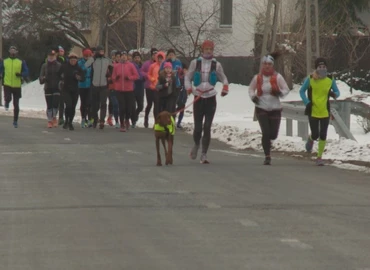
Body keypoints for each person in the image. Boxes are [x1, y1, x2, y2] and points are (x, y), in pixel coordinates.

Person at [185, 40, 229, 164]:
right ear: (202, 50)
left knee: (207, 126)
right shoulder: (195, 63)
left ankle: (204, 154)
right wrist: (189, 88)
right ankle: (196, 144)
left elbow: (223, 77)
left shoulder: (216, 64)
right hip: (198, 97)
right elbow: (187, 77)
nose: (208, 51)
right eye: (206, 49)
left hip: (210, 97)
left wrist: (225, 87)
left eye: (211, 49)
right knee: (198, 127)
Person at [249, 53, 290, 165]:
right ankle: (267, 156)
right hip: (261, 107)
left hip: (275, 107)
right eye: (265, 64)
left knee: (273, 135)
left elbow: (286, 89)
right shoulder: (257, 77)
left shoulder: (278, 77)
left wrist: (280, 93)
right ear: (262, 65)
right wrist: (253, 97)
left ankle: (268, 142)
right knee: (266, 133)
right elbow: (251, 89)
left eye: (269, 64)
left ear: (272, 65)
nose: (267, 66)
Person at [300, 57, 340, 166]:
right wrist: (307, 102)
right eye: (320, 67)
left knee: (323, 134)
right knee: (316, 134)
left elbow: (337, 92)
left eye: (324, 67)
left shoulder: (330, 79)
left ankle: (319, 157)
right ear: (316, 68)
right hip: (313, 110)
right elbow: (302, 91)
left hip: (325, 110)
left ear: (326, 68)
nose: (322, 69)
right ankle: (311, 139)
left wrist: (333, 94)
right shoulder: (311, 78)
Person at [0, 46, 29, 128]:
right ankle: (6, 102)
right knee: (8, 97)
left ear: (16, 52)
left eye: (14, 51)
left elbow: (26, 71)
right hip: (7, 84)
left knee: (16, 104)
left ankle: (15, 121)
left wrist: (21, 74)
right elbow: (0, 69)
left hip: (17, 85)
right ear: (9, 52)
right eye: (11, 51)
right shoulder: (5, 61)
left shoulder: (21, 62)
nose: (12, 52)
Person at [85, 45, 113, 129]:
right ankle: (95, 118)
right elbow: (86, 65)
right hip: (95, 84)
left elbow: (113, 67)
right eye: (100, 51)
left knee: (103, 104)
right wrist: (92, 58)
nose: (101, 52)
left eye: (102, 51)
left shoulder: (106, 60)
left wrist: (109, 74)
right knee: (95, 105)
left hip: (104, 85)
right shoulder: (93, 59)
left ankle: (102, 121)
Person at [111, 50, 139, 132]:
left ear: (127, 57)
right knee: (122, 107)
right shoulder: (116, 66)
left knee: (128, 107)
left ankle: (127, 119)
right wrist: (116, 78)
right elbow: (113, 77)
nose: (123, 57)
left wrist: (129, 78)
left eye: (125, 55)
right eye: (122, 55)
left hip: (129, 89)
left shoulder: (131, 65)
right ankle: (122, 123)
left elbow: (136, 76)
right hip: (119, 90)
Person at [59, 53, 85, 130]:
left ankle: (70, 121)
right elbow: (59, 74)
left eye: (74, 60)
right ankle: (66, 120)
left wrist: (79, 77)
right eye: (72, 60)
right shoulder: (65, 66)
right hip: (66, 89)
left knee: (73, 107)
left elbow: (83, 78)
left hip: (75, 90)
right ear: (69, 60)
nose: (73, 62)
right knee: (68, 105)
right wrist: (61, 78)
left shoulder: (78, 68)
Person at [39, 49, 63, 128]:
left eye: (53, 56)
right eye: (50, 56)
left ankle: (54, 117)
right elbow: (41, 77)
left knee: (55, 104)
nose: (51, 57)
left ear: (55, 56)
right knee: (49, 105)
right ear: (47, 56)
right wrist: (43, 79)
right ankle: (49, 120)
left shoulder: (59, 65)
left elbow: (62, 76)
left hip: (57, 87)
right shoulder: (44, 65)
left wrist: (62, 81)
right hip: (48, 87)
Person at [160, 48, 183, 114]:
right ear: (167, 56)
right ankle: (166, 117)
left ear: (175, 56)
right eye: (169, 55)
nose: (171, 56)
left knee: (173, 103)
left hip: (176, 85)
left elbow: (181, 74)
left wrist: (180, 71)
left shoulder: (178, 62)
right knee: (167, 104)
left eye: (172, 55)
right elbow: (160, 72)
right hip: (167, 85)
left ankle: (172, 118)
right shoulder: (164, 62)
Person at [141, 48, 158, 128]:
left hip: (157, 87)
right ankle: (146, 118)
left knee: (156, 105)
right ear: (151, 55)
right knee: (149, 104)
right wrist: (147, 75)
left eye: (156, 55)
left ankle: (156, 122)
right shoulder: (147, 63)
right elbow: (141, 71)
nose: (155, 56)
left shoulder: (160, 64)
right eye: (154, 55)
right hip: (149, 86)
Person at [147, 51, 166, 120]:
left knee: (162, 105)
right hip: (155, 87)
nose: (160, 59)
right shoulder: (153, 65)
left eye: (161, 58)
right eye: (159, 58)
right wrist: (152, 79)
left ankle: (162, 119)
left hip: (163, 88)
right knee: (156, 105)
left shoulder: (165, 66)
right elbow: (148, 74)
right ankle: (156, 120)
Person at [78, 48, 93, 128]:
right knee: (83, 102)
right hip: (82, 85)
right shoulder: (80, 63)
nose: (87, 57)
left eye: (89, 56)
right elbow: (79, 71)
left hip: (90, 84)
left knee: (89, 102)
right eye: (86, 56)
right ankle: (83, 118)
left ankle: (90, 119)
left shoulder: (92, 63)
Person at [131, 51, 145, 128]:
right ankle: (133, 120)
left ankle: (135, 115)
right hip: (133, 87)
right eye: (135, 58)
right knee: (133, 105)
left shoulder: (142, 66)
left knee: (140, 106)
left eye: (138, 58)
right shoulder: (131, 65)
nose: (137, 59)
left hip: (140, 87)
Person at [107, 50, 119, 127]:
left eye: (116, 56)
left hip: (119, 86)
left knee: (118, 103)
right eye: (113, 55)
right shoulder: (109, 64)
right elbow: (107, 74)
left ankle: (118, 118)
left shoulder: (121, 64)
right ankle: (110, 117)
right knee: (112, 102)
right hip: (111, 86)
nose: (114, 57)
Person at [176, 62, 188, 129]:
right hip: (179, 95)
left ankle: (179, 123)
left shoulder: (187, 77)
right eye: (184, 69)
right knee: (179, 108)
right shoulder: (179, 77)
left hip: (184, 96)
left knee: (182, 109)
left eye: (186, 70)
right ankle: (173, 118)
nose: (185, 71)